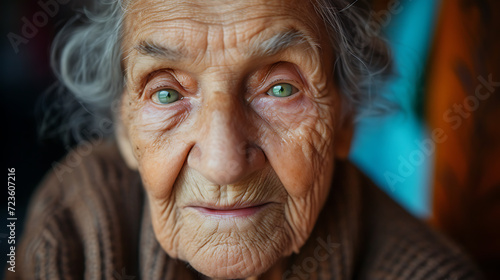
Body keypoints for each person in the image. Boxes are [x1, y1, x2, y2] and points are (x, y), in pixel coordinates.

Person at [8, 0, 482, 279]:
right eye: (168, 92)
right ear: (125, 131)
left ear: (345, 117)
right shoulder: (76, 221)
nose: (223, 163)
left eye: (280, 88)